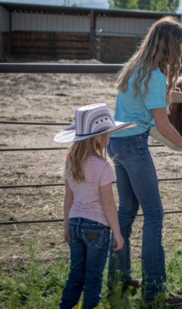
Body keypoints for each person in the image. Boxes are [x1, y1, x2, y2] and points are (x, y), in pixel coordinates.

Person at [106, 16, 182, 306]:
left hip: (117, 143)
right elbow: (163, 123)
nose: (181, 55)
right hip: (134, 146)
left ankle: (118, 278)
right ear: (169, 46)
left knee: (127, 211)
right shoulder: (155, 75)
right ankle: (154, 291)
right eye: (180, 47)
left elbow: (163, 96)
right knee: (155, 216)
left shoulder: (137, 66)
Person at [55, 103, 135, 309]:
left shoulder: (70, 162)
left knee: (75, 274)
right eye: (108, 133)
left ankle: (65, 306)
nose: (109, 137)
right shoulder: (103, 166)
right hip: (96, 228)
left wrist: (66, 227)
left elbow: (68, 198)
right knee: (92, 278)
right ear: (99, 137)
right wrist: (117, 233)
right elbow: (108, 204)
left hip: (74, 225)